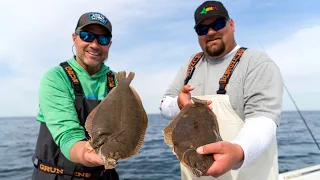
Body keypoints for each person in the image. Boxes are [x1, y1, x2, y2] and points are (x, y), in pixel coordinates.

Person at [159, 1, 283, 180]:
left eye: (217, 24)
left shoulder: (256, 62)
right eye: (202, 29)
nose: (210, 32)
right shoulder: (191, 65)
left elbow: (264, 118)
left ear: (231, 25)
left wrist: (240, 150)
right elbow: (164, 105)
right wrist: (178, 104)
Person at [32, 12, 120, 180]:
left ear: (109, 44)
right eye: (87, 36)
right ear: (74, 38)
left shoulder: (117, 82)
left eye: (102, 40)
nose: (94, 45)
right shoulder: (56, 78)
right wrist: (86, 154)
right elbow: (67, 133)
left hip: (103, 174)